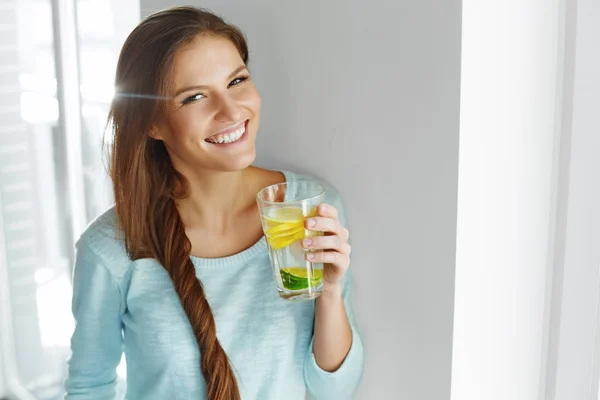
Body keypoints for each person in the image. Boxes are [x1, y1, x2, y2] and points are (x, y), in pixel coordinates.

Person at [64, 6, 364, 400]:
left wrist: (330, 291)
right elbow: (89, 387)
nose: (231, 111)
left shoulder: (306, 209)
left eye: (237, 80)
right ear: (152, 124)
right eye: (194, 97)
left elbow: (334, 391)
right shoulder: (110, 249)